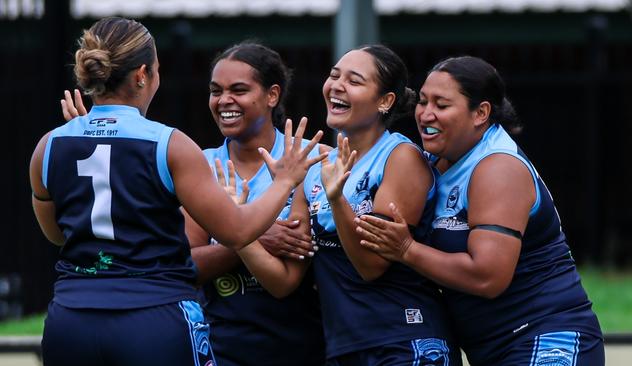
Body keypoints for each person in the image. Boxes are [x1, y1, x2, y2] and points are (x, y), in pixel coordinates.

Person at [29, 17, 324, 366]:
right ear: (142, 74)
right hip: (153, 317)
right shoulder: (169, 144)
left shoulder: (48, 146)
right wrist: (285, 181)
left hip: (71, 319)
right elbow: (239, 230)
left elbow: (57, 234)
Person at [354, 55, 604, 365]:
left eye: (441, 105)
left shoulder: (498, 169)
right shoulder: (430, 161)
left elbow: (488, 277)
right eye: (422, 101)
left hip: (546, 336)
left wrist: (406, 249)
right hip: (491, 347)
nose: (426, 114)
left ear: (481, 113)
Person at [236, 45, 460, 366]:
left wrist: (337, 198)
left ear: (385, 101)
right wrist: (239, 231)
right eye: (333, 75)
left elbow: (371, 266)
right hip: (344, 347)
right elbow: (283, 281)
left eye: (354, 81)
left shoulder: (401, 157)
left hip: (405, 340)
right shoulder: (315, 168)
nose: (337, 86)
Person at [185, 42, 325, 366]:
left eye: (239, 90)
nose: (224, 101)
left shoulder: (311, 159)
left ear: (272, 95)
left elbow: (292, 273)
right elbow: (186, 266)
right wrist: (255, 236)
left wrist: (233, 234)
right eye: (215, 91)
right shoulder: (201, 166)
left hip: (306, 345)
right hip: (223, 347)